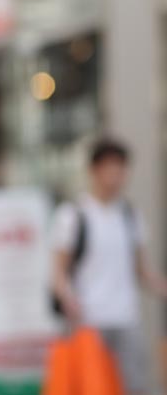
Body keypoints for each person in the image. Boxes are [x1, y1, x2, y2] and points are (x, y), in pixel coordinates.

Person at [51, 138, 167, 395]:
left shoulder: (129, 215)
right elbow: (58, 270)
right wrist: (68, 299)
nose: (116, 177)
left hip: (126, 317)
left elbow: (142, 269)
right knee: (94, 388)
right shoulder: (74, 215)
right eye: (110, 168)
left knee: (136, 384)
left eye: (121, 169)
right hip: (89, 320)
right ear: (94, 170)